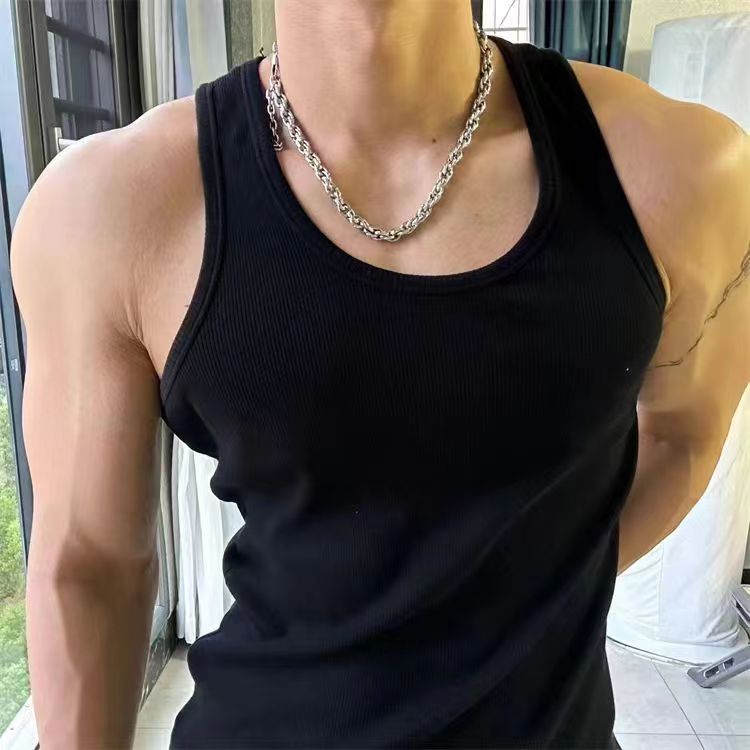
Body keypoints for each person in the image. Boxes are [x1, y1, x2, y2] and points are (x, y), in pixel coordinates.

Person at [11, 1, 749, 748]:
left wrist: (523, 589)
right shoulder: (106, 212)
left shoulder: (686, 177)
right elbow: (89, 568)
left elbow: (681, 439)